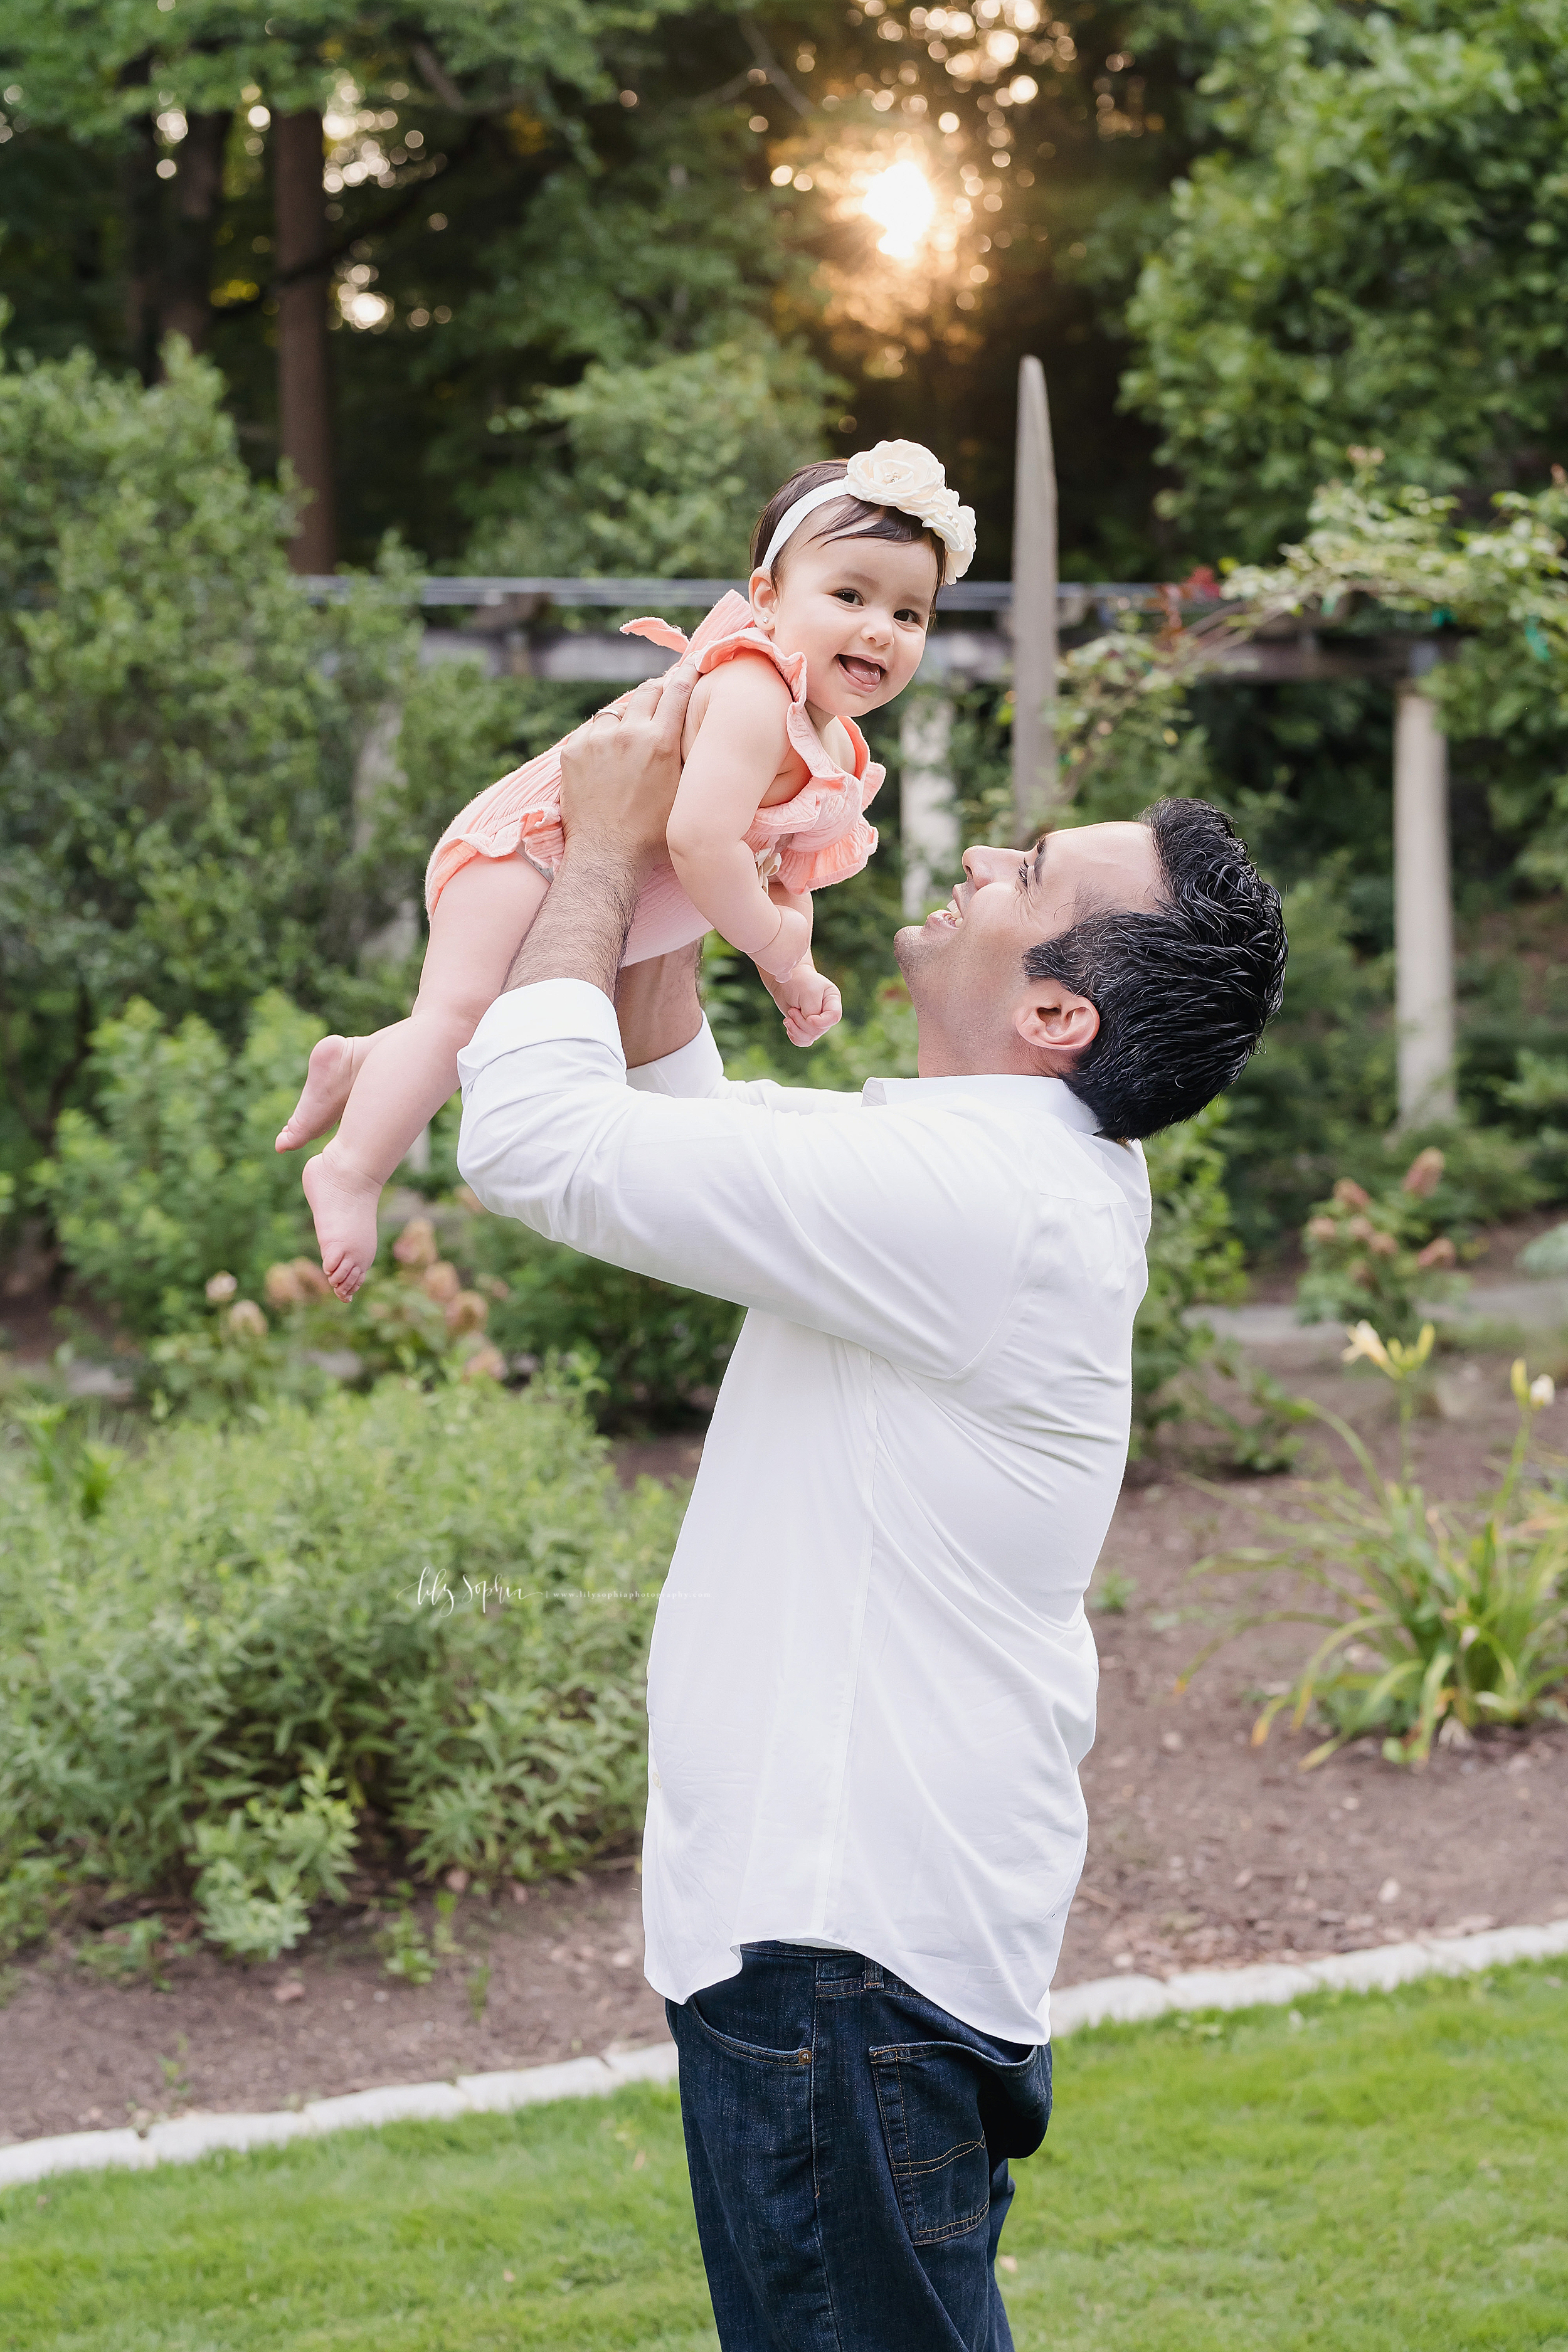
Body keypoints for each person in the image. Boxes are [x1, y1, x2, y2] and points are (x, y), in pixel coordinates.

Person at [455, 664, 1286, 2351]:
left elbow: (534, 1138)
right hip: (854, 1951)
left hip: (845, 1959)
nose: (982, 852)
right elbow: (673, 1107)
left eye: (1030, 867)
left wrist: (608, 845)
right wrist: (693, 857)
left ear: (1059, 1010)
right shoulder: (990, 1177)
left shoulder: (979, 1200)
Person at [273, 441, 976, 1300]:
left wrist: (797, 964)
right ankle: (350, 1171)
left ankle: (367, 1065)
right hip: (530, 851)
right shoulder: (755, 691)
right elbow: (702, 844)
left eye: (911, 615)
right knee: (460, 1011)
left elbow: (787, 873)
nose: (881, 628)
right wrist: (775, 949)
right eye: (850, 595)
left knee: (497, 1018)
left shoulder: (836, 744)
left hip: (596, 887)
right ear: (767, 598)